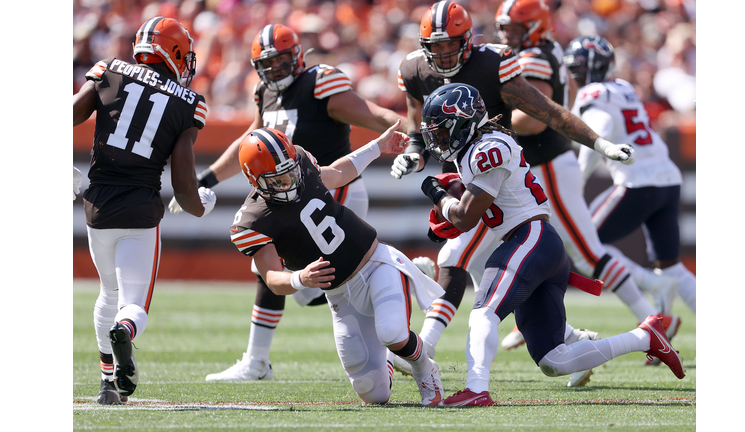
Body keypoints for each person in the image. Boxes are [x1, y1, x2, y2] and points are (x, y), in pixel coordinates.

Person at [390, 0, 638, 384]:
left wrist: (599, 144)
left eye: (448, 44)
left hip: (498, 177)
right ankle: (577, 341)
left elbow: (547, 111)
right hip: (466, 174)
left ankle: (425, 346)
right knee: (471, 265)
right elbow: (415, 123)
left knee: (456, 255)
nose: (440, 54)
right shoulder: (413, 68)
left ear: (467, 40)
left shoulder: (494, 63)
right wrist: (412, 152)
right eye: (433, 46)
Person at [418, 83, 685, 407]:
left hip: (529, 239)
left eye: (443, 131)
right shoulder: (483, 147)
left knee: (483, 312)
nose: (439, 140)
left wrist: (437, 195)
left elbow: (465, 218)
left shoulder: (487, 149)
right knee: (553, 360)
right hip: (536, 243)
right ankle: (645, 336)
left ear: (463, 123)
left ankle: (476, 389)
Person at [169, 24, 407, 382]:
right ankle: (257, 360)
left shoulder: (318, 82)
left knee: (336, 279)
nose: (276, 70)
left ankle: (393, 321)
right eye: (268, 64)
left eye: (282, 61)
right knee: (278, 274)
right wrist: (205, 178)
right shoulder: (264, 92)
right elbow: (250, 141)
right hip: (288, 198)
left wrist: (407, 134)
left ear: (297, 56)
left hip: (330, 191)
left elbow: (371, 113)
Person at [492, 1, 681, 365]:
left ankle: (654, 322)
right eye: (505, 27)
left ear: (535, 26)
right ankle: (550, 324)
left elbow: (531, 120)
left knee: (586, 251)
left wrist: (486, 120)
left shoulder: (534, 57)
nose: (506, 34)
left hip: (547, 163)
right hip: (539, 164)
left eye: (514, 28)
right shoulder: (529, 53)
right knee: (544, 246)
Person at [231, 122, 447, 406]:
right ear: (254, 181)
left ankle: (424, 368)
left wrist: (378, 147)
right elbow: (271, 277)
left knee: (392, 332)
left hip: (374, 264)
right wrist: (300, 279)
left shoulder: (302, 163)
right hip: (339, 295)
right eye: (277, 180)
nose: (289, 181)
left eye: (290, 171)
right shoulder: (252, 221)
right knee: (374, 393)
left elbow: (340, 172)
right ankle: (390, 361)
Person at [72, 17, 217, 405]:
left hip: (97, 207)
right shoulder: (189, 103)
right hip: (139, 210)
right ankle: (124, 332)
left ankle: (107, 384)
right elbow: (185, 187)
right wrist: (201, 205)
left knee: (107, 291)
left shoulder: (109, 70)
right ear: (172, 53)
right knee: (132, 303)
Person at [564, 34, 696, 319]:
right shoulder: (624, 87)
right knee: (671, 265)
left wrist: (579, 179)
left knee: (584, 244)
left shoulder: (592, 94)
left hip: (637, 181)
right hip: (668, 178)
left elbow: (603, 125)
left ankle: (653, 285)